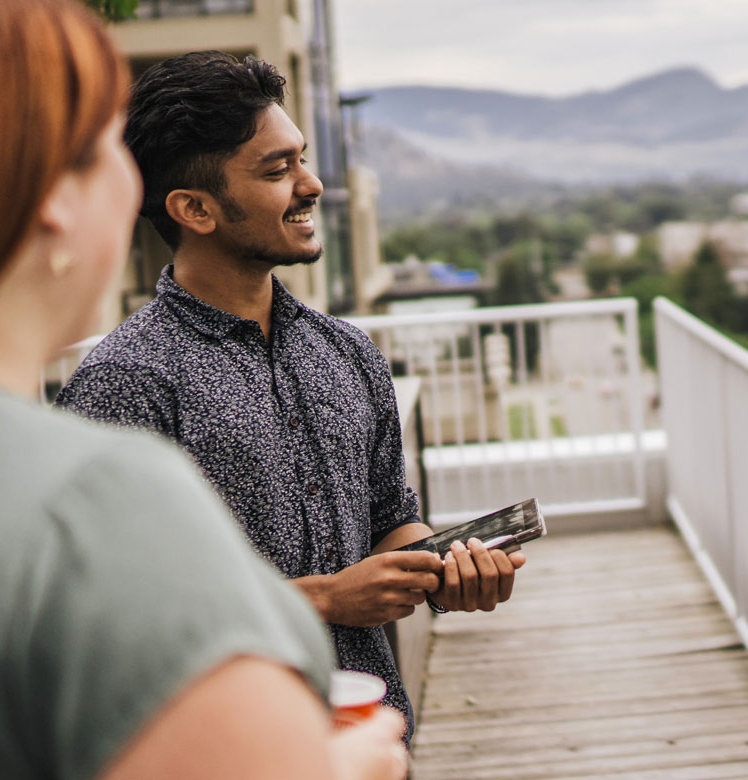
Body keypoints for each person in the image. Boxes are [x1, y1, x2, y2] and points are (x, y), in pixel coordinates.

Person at [0, 0, 407, 777]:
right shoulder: (98, 487)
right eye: (104, 148)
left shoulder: (342, 350)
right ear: (47, 197)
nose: (308, 184)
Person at [54, 51, 525, 735]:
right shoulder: (125, 384)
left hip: (372, 730)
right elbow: (106, 615)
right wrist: (327, 599)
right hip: (222, 747)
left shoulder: (348, 353)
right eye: (277, 170)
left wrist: (447, 568)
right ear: (195, 209)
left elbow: (390, 517)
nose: (313, 184)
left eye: (301, 158)